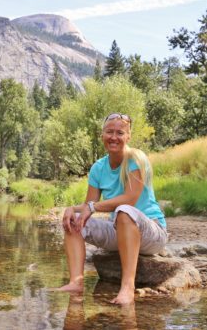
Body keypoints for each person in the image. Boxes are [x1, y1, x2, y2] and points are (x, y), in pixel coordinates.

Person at [58, 113, 168, 304]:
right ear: (102, 135)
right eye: (109, 132)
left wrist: (92, 207)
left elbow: (130, 199)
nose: (114, 137)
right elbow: (88, 205)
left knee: (124, 210)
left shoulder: (137, 159)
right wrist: (72, 209)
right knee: (75, 220)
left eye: (120, 132)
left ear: (128, 136)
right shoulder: (98, 168)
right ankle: (76, 282)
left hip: (152, 232)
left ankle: (127, 287)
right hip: (121, 231)